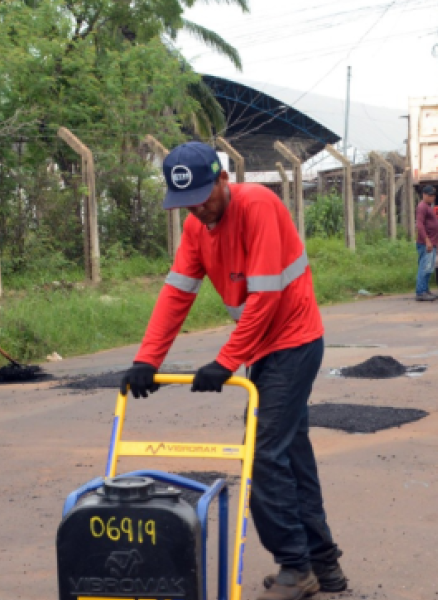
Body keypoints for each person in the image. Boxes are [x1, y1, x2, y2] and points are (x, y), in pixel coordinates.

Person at [120, 142, 347, 600]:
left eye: (205, 195)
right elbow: (176, 294)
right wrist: (148, 358)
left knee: (263, 452)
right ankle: (323, 565)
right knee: (291, 454)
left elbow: (265, 297)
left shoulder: (259, 205)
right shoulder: (195, 227)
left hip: (295, 340)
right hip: (262, 348)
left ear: (224, 179)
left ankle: (295, 568)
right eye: (187, 202)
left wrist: (225, 361)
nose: (199, 208)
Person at [415, 185, 438, 301]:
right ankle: (420, 292)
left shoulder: (428, 206)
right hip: (426, 243)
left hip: (432, 243)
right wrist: (427, 240)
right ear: (424, 195)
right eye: (430, 195)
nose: (432, 197)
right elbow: (419, 225)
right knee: (425, 267)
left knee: (429, 268)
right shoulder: (422, 207)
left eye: (434, 195)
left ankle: (425, 289)